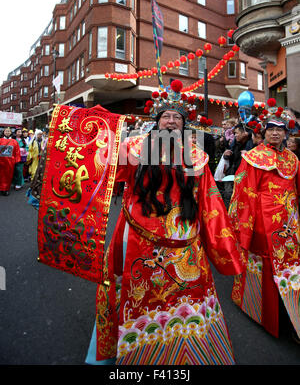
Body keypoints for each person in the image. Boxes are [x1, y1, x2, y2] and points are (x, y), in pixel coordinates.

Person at [85, 80, 245, 365]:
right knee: (132, 297)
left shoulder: (195, 156)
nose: (171, 121)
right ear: (156, 121)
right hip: (135, 239)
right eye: (165, 116)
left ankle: (190, 353)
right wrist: (97, 126)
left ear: (184, 124)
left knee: (187, 301)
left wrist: (225, 251)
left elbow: (210, 205)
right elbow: (102, 163)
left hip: (184, 244)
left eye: (177, 117)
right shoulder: (134, 147)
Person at [228, 99, 300, 342]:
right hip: (262, 222)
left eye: (280, 129)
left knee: (291, 267)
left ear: (286, 133)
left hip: (290, 223)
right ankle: (270, 315)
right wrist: (245, 229)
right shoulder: (254, 157)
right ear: (264, 132)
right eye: (271, 129)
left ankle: (292, 316)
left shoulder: (293, 159)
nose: (276, 133)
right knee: (267, 267)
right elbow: (244, 192)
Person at [221, 123, 254, 209]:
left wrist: (248, 156)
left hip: (244, 178)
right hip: (231, 175)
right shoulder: (235, 143)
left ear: (244, 133)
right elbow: (232, 157)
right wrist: (227, 155)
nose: (235, 135)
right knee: (228, 195)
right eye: (234, 133)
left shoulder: (251, 144)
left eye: (237, 133)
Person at [0, 127, 21, 196]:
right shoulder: (0, 140)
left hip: (10, 162)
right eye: (6, 131)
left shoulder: (14, 141)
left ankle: (5, 189)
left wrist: (17, 160)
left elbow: (17, 152)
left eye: (9, 131)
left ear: (11, 132)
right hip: (1, 161)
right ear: (3, 132)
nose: (7, 132)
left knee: (8, 176)